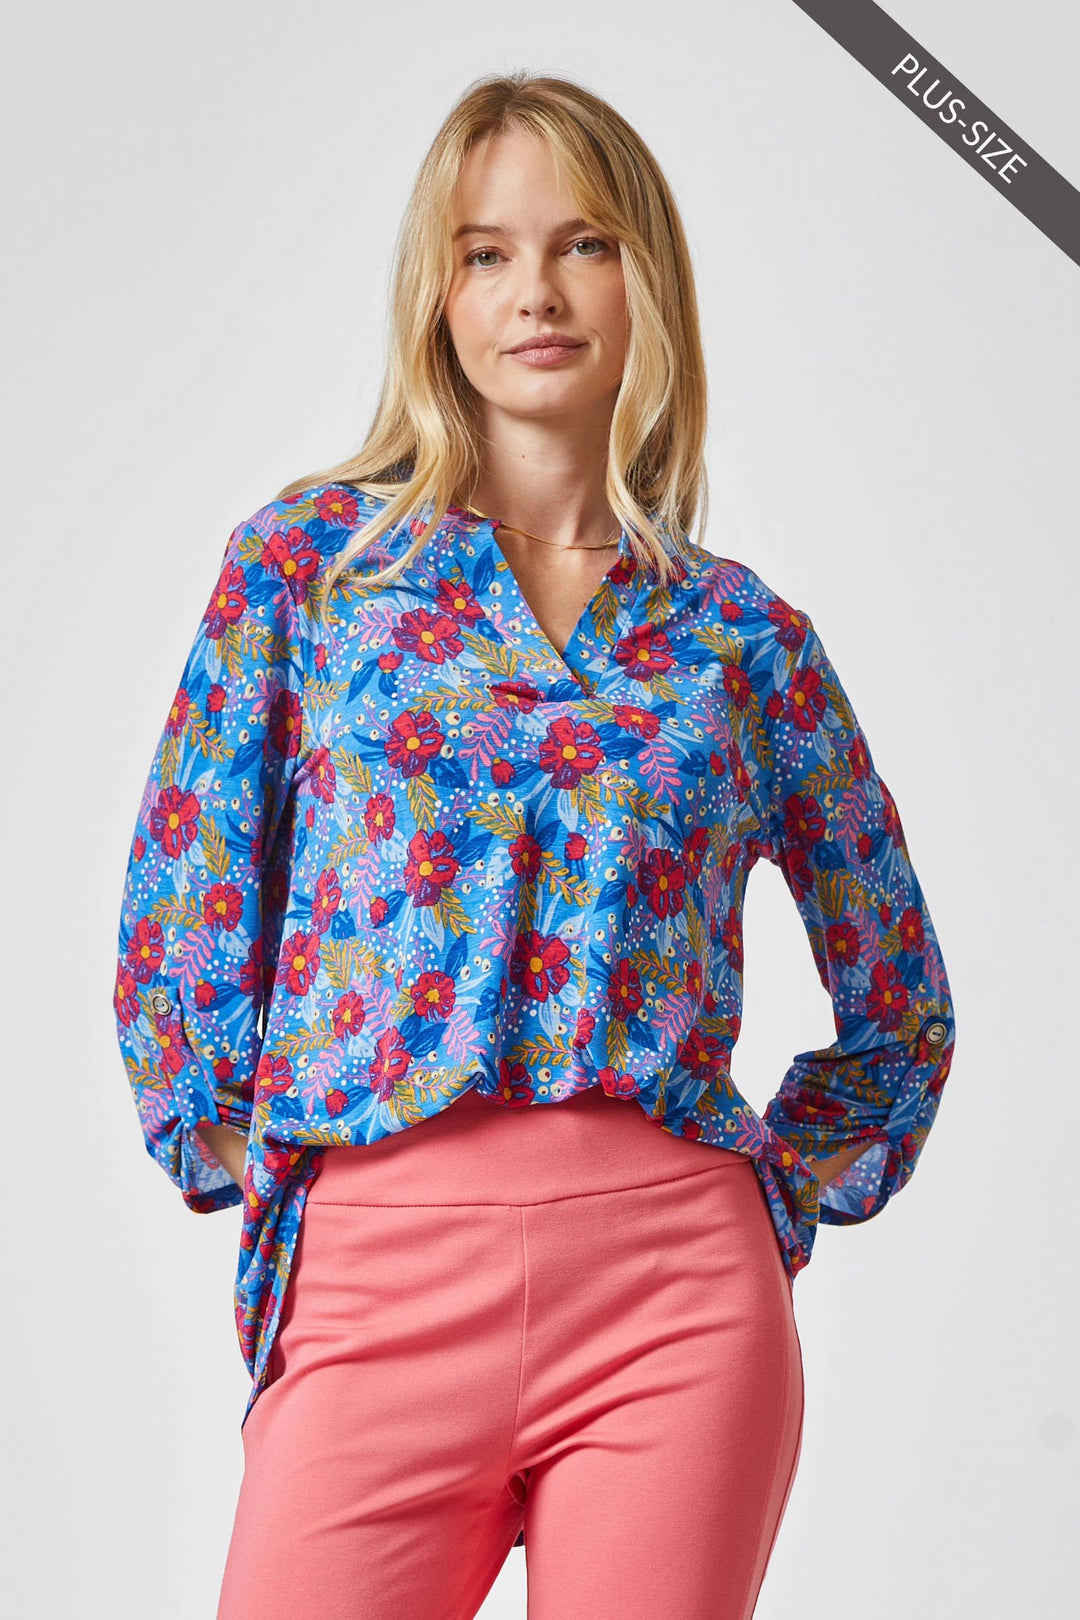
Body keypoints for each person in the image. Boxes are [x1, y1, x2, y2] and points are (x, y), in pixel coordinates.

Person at [112, 70, 955, 1620]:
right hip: (376, 1280)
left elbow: (898, 1000)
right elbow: (184, 910)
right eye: (486, 252)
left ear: (648, 280)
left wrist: (769, 1199)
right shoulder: (310, 571)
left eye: (584, 245)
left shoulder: (742, 640)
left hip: (674, 1309)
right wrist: (282, 1176)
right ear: (437, 297)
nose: (536, 293)